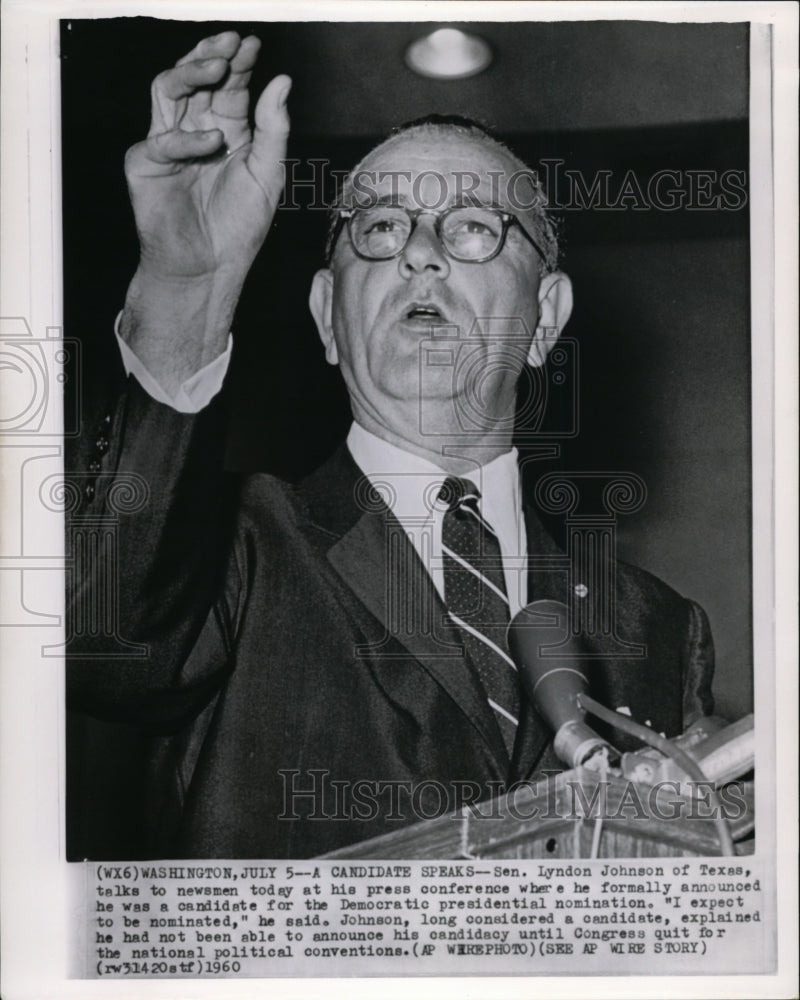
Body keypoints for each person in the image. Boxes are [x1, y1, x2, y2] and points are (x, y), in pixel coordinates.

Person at [67, 31, 714, 859]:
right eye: (378, 226)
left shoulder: (659, 626)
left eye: (473, 226)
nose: (418, 253)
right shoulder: (230, 552)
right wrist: (189, 287)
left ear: (546, 317)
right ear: (326, 317)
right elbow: (102, 650)